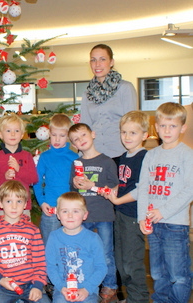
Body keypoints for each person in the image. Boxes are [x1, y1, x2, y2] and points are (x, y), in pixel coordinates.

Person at [135, 102, 193, 303]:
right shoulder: (151, 155)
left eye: (173, 126)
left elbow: (189, 190)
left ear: (182, 128)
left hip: (175, 224)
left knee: (177, 274)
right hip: (154, 224)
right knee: (158, 273)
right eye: (163, 126)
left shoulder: (187, 154)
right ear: (156, 127)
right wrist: (142, 216)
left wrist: (164, 211)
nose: (167, 131)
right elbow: (143, 187)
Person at [68, 123, 119, 303]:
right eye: (75, 139)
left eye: (83, 135)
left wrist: (93, 186)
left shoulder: (107, 161)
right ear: (73, 145)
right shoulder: (76, 164)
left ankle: (110, 284)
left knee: (105, 252)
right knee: (84, 252)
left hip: (103, 214)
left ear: (93, 134)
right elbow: (72, 192)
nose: (80, 140)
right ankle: (88, 283)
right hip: (83, 216)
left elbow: (115, 189)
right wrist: (75, 184)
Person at [104, 111, 150, 302]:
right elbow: (123, 184)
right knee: (121, 263)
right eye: (124, 132)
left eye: (133, 133)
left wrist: (117, 200)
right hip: (120, 215)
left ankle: (139, 299)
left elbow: (141, 189)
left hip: (133, 216)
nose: (127, 137)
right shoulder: (124, 156)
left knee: (132, 264)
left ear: (144, 135)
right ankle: (130, 297)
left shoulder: (145, 157)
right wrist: (111, 191)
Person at [0, 180, 50, 303]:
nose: (14, 206)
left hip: (30, 284)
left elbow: (40, 261)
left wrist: (38, 286)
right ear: (0, 204)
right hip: (5, 285)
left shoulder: (32, 230)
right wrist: (0, 279)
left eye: (19, 201)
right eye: (9, 201)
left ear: (25, 205)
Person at [46, 192, 107, 303]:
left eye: (75, 211)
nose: (70, 215)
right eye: (65, 211)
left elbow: (101, 267)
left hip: (88, 291)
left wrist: (87, 289)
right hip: (63, 291)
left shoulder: (93, 238)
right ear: (58, 215)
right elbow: (50, 266)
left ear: (85, 215)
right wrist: (61, 287)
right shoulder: (54, 237)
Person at [80, 44, 137, 158]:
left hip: (120, 152)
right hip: (95, 153)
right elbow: (85, 126)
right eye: (93, 60)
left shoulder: (125, 88)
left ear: (111, 62)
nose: (97, 64)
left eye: (102, 59)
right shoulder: (87, 94)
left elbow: (133, 124)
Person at [35, 113, 78, 244]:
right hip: (50, 207)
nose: (57, 140)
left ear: (68, 136)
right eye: (54, 135)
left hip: (70, 208)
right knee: (50, 245)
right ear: (49, 134)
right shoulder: (45, 157)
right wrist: (42, 202)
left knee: (71, 244)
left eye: (62, 135)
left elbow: (79, 184)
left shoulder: (74, 157)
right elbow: (37, 181)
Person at [0, 113, 38, 216]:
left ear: (22, 134)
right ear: (1, 135)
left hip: (23, 207)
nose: (13, 134)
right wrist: (4, 177)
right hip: (3, 207)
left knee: (23, 232)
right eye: (8, 131)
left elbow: (34, 179)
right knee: (4, 232)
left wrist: (19, 169)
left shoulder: (27, 156)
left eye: (17, 131)